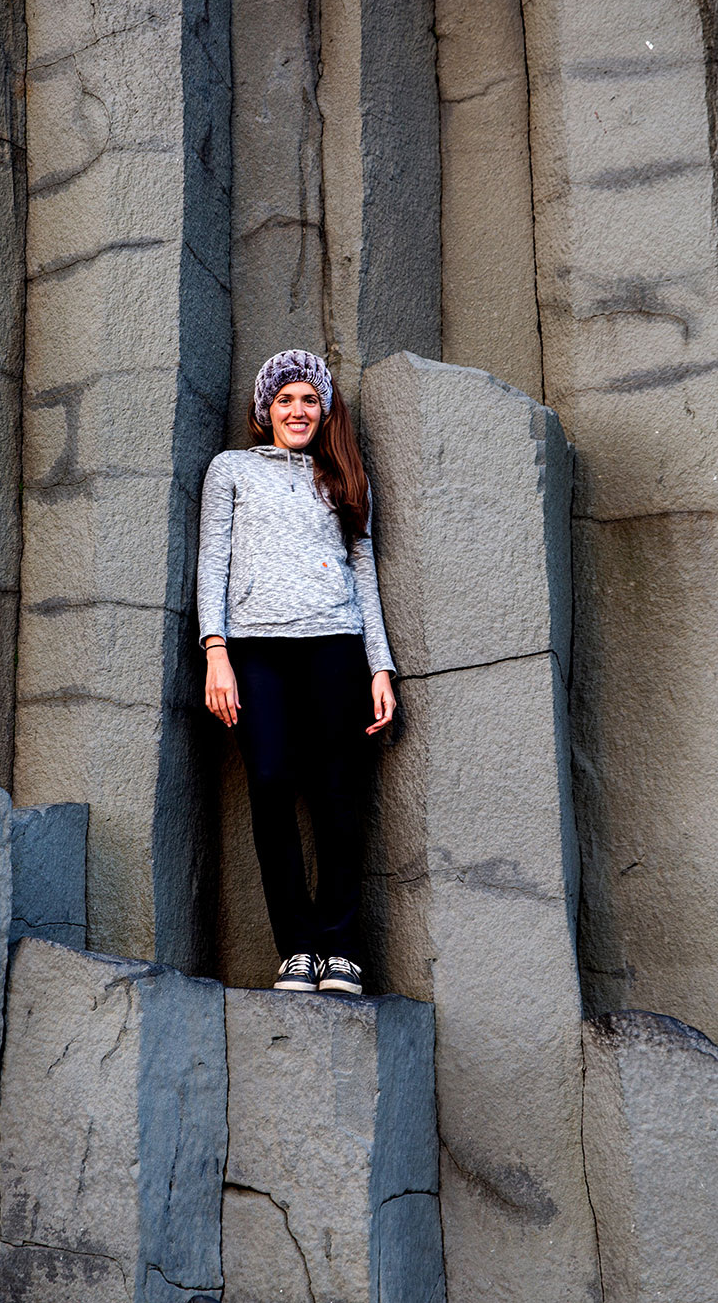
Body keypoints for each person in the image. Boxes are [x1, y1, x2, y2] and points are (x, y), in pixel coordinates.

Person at [197, 349, 396, 996]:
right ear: (266, 411)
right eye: (285, 399)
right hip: (255, 651)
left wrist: (380, 666)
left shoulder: (343, 479)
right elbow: (212, 563)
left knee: (338, 795)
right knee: (271, 786)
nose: (298, 410)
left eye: (309, 399)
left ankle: (341, 949)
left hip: (335, 644)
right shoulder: (231, 470)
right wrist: (216, 652)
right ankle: (299, 948)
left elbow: (364, 575)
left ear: (324, 410)